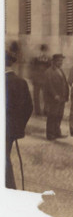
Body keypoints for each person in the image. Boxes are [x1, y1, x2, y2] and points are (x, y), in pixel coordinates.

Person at [6, 50, 33, 189]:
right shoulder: (21, 82)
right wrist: (18, 127)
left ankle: (10, 191)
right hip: (11, 132)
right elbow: (29, 108)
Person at [43, 53, 69, 140]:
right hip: (54, 99)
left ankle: (57, 132)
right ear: (53, 61)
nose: (60, 62)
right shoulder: (49, 72)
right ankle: (50, 134)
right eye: (59, 61)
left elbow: (64, 83)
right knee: (52, 116)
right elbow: (48, 86)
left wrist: (66, 95)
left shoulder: (60, 70)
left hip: (62, 98)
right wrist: (55, 95)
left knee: (59, 116)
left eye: (61, 61)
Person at [29, 44, 50, 117]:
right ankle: (38, 110)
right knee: (37, 96)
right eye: (43, 50)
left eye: (45, 51)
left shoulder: (48, 59)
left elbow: (50, 70)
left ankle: (45, 110)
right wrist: (32, 77)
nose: (44, 52)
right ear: (41, 50)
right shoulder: (36, 58)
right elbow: (32, 68)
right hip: (38, 79)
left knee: (46, 96)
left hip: (44, 79)